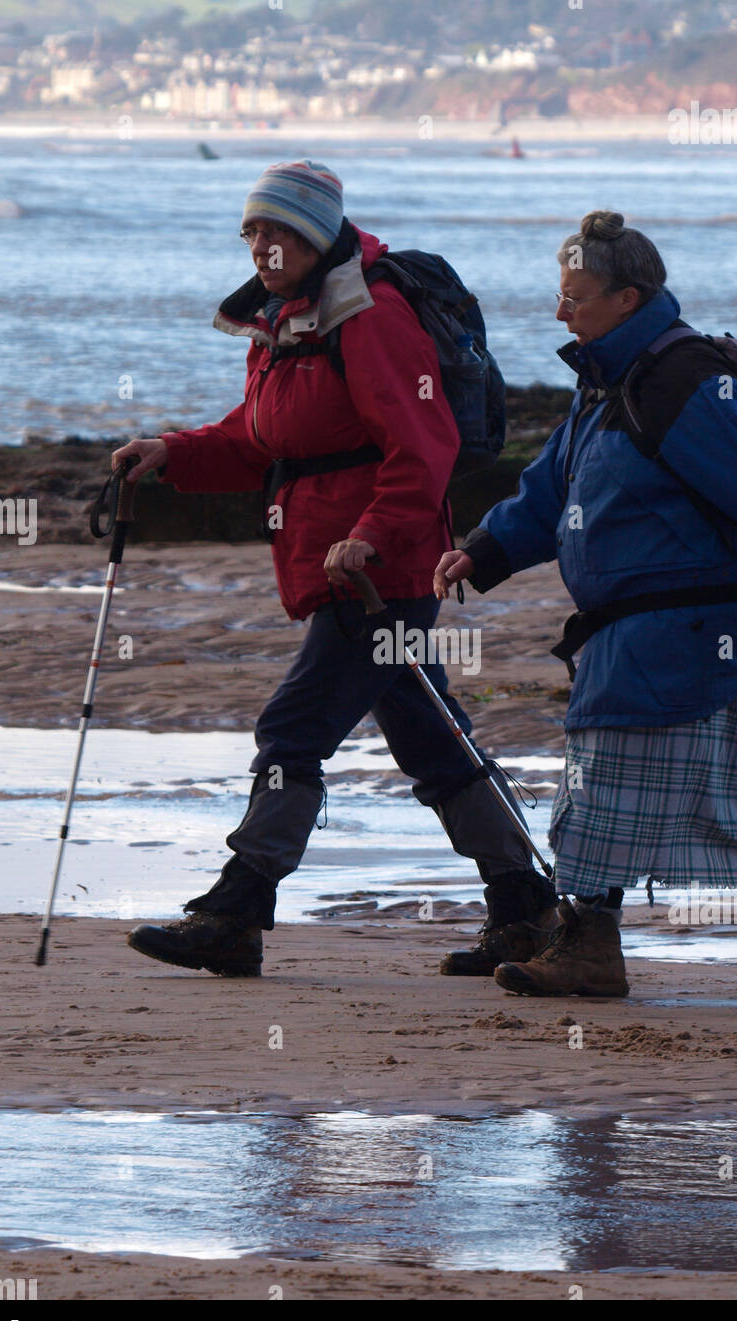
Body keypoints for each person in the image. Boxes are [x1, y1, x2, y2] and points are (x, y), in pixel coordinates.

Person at [111, 159, 558, 979]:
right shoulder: (288, 322)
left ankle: (236, 911)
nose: (261, 247)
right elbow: (260, 440)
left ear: (314, 235)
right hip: (339, 565)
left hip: (375, 573)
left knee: (293, 729)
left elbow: (424, 448)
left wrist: (372, 535)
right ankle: (526, 908)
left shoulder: (370, 313)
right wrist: (171, 453)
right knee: (433, 741)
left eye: (277, 231)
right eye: (250, 231)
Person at [434, 209, 737, 999]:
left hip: (681, 628)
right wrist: (483, 550)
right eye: (560, 293)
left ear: (627, 296)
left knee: (603, 783)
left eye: (574, 294)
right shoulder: (608, 384)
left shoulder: (680, 378)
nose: (559, 309)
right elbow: (549, 490)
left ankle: (589, 947)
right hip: (668, 629)